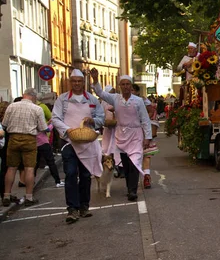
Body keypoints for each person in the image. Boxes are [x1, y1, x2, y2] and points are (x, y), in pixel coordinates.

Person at [52, 70, 105, 223]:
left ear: (83, 82)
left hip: (87, 142)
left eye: (79, 81)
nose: (76, 84)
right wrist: (67, 130)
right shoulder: (62, 99)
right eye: (73, 81)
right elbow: (56, 118)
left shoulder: (92, 99)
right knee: (70, 173)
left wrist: (93, 121)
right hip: (69, 142)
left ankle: (84, 206)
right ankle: (72, 209)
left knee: (85, 175)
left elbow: (101, 117)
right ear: (70, 82)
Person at [91, 70, 152, 202]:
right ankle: (129, 187)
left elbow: (145, 119)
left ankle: (132, 190)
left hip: (135, 135)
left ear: (131, 86)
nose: (125, 86)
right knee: (126, 164)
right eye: (123, 84)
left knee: (135, 162)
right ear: (120, 86)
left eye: (127, 84)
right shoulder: (115, 98)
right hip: (121, 136)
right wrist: (95, 80)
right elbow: (100, 93)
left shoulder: (138, 101)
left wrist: (147, 137)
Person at [2, 89, 49, 207]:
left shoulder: (11, 106)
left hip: (13, 138)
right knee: (29, 168)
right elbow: (43, 127)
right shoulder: (37, 109)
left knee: (11, 168)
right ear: (33, 97)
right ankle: (29, 197)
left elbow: (4, 124)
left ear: (24, 95)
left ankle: (6, 195)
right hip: (29, 139)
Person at [132, 84, 158, 189]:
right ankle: (133, 180)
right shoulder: (124, 100)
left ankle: (146, 177)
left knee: (146, 155)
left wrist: (145, 121)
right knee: (134, 156)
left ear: (137, 92)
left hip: (144, 131)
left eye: (133, 90)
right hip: (132, 133)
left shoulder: (143, 100)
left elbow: (152, 112)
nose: (131, 91)